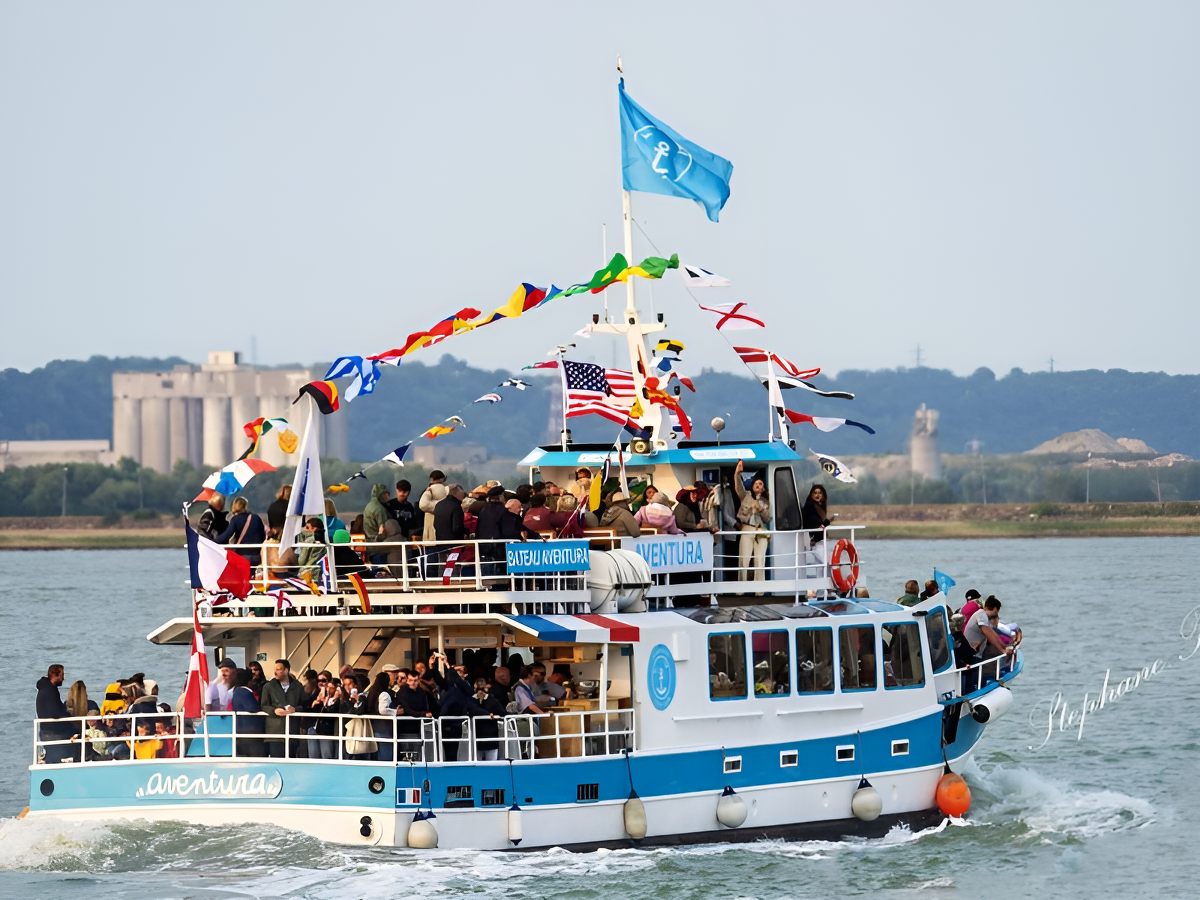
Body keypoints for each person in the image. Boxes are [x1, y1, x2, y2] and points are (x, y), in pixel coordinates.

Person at [261, 659, 305, 757]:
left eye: (279, 669)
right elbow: (264, 706)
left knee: (292, 759)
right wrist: (274, 710)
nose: (275, 672)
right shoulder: (268, 686)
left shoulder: (298, 686)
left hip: (292, 731)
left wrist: (295, 710)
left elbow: (303, 705)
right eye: (275, 669)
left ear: (286, 670)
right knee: (277, 758)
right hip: (275, 733)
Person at [36, 664, 76, 763]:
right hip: (53, 732)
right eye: (62, 675)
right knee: (55, 759)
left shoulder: (45, 688)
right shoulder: (50, 691)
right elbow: (54, 712)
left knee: (53, 758)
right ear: (55, 675)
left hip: (46, 731)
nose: (63, 678)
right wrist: (68, 716)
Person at [736, 477, 771, 582]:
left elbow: (767, 519)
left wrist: (761, 509)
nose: (757, 485)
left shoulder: (765, 501)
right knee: (744, 559)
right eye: (755, 483)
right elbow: (738, 487)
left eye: (760, 484)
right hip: (747, 528)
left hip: (760, 530)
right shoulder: (745, 497)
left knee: (760, 561)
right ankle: (741, 588)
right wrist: (737, 473)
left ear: (763, 488)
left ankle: (759, 589)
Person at [217, 497, 267, 566]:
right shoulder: (256, 517)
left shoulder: (235, 519)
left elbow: (226, 536)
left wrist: (212, 542)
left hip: (242, 554)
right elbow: (262, 536)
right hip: (257, 555)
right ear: (245, 506)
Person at [964, 596, 1015, 662]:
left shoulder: (985, 617)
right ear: (988, 608)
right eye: (995, 612)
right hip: (969, 653)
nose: (996, 615)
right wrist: (1003, 651)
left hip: (975, 652)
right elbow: (989, 634)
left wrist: (1003, 645)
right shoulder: (981, 615)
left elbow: (992, 633)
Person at [365, 672, 399, 761]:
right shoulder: (384, 694)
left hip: (374, 726)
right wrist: (395, 712)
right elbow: (383, 710)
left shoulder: (371, 693)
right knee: (385, 753)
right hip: (383, 728)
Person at [231, 668, 265, 757]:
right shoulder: (245, 692)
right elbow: (252, 707)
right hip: (251, 730)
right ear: (248, 680)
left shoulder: (236, 691)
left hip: (241, 730)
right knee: (256, 757)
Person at [472, 677, 507, 760]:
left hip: (490, 738)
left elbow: (502, 713)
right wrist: (489, 714)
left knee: (491, 763)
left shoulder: (492, 701)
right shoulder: (472, 701)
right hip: (477, 739)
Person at [419, 471, 448, 541]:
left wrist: (427, 492)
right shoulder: (447, 491)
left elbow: (423, 505)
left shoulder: (428, 491)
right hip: (445, 534)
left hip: (430, 536)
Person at [800, 485, 831, 551]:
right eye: (815, 493)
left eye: (820, 493)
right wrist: (825, 522)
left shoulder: (819, 507)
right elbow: (813, 520)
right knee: (824, 559)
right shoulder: (809, 506)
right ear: (811, 495)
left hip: (819, 539)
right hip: (813, 539)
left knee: (822, 559)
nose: (817, 495)